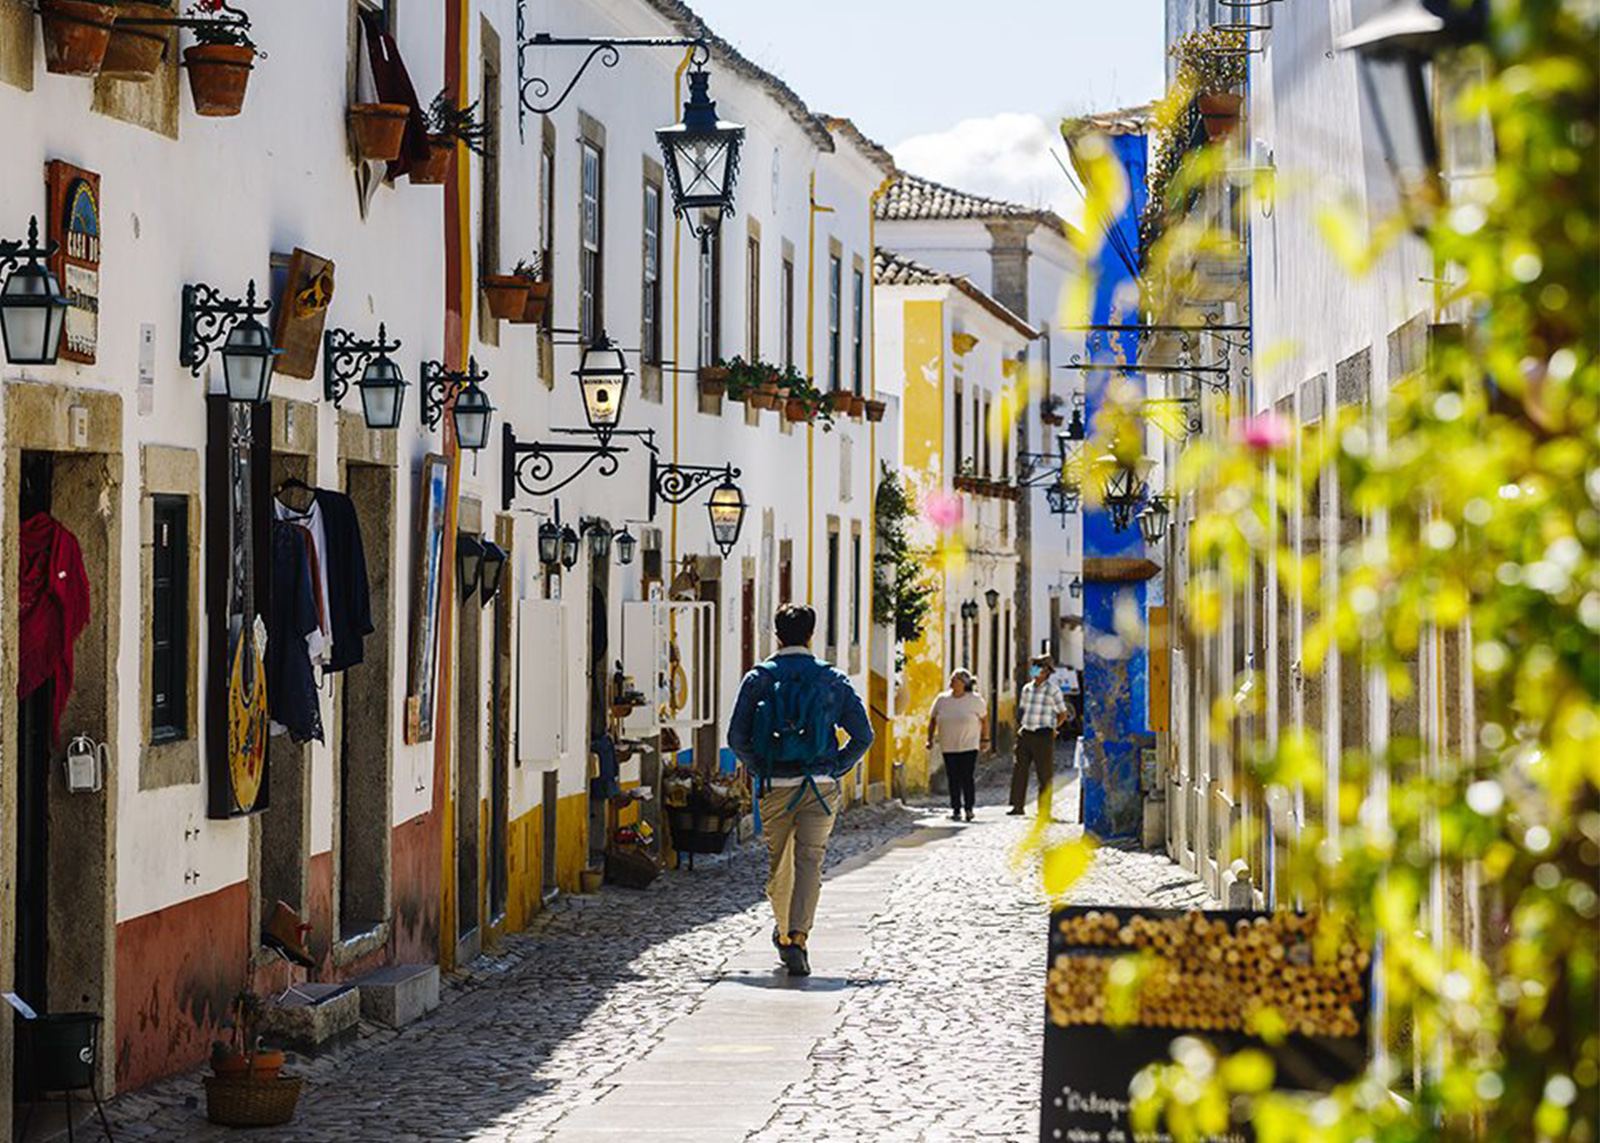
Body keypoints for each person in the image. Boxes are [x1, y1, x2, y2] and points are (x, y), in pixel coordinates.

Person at [729, 604, 874, 977]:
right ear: (811, 635)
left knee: (780, 862)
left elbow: (735, 737)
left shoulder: (758, 678)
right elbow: (863, 735)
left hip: (776, 784)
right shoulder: (832, 679)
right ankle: (798, 936)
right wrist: (835, 766)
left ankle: (782, 932)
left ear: (777, 635)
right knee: (810, 861)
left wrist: (761, 768)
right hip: (820, 785)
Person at [1011, 654, 1073, 818]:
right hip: (1025, 733)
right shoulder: (1026, 688)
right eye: (1033, 667)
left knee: (1044, 774)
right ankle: (1017, 806)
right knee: (1019, 771)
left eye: (1037, 667)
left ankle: (1044, 811)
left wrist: (1054, 728)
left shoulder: (1053, 690)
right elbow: (1022, 710)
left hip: (1043, 734)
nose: (1034, 670)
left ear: (1046, 672)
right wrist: (1020, 726)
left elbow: (1062, 714)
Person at [926, 669, 988, 822]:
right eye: (952, 679)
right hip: (948, 745)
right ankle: (956, 808)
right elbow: (933, 719)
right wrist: (929, 739)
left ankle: (968, 808)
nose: (952, 682)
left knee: (966, 776)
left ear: (964, 683)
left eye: (956, 680)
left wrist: (985, 739)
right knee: (953, 777)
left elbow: (984, 720)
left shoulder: (975, 700)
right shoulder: (942, 699)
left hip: (969, 744)